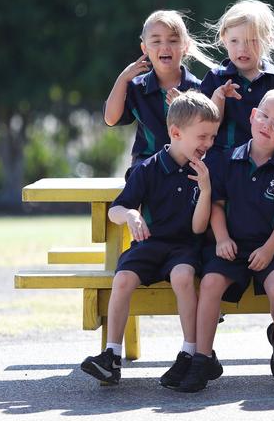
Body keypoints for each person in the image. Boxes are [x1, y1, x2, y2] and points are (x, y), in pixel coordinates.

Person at [81, 90, 220, 387]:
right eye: (203, 137)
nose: (208, 144)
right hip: (150, 244)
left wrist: (206, 190)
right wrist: (131, 215)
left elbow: (198, 230)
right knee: (122, 279)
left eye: (212, 137)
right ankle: (112, 355)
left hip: (185, 247)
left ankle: (190, 352)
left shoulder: (206, 172)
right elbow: (116, 210)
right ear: (176, 132)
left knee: (183, 277)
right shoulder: (148, 168)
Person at [177, 88, 274, 392]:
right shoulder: (226, 159)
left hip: (271, 247)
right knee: (209, 284)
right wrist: (221, 239)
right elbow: (217, 206)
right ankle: (201, 359)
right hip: (230, 244)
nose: (267, 125)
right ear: (252, 116)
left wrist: (269, 249)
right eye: (264, 117)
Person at [104, 10, 216, 172]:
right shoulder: (137, 87)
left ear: (185, 46)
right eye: (156, 41)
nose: (165, 47)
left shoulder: (199, 89)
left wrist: (185, 106)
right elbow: (111, 119)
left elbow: (206, 134)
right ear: (145, 48)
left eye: (173, 40)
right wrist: (123, 79)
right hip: (145, 169)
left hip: (186, 168)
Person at [200, 0, 274, 157]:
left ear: (267, 40)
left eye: (252, 41)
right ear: (224, 40)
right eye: (234, 41)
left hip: (267, 161)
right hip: (224, 158)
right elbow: (206, 128)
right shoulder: (215, 78)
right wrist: (218, 97)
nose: (242, 48)